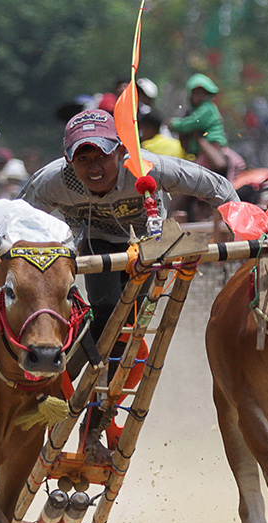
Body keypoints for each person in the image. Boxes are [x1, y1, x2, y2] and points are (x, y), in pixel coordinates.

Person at [18, 109, 237, 458]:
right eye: (83, 158)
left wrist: (231, 222)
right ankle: (59, 384)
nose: (93, 168)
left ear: (121, 152)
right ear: (67, 161)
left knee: (127, 330)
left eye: (102, 156)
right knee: (106, 311)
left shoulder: (148, 167)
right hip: (94, 243)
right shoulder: (52, 181)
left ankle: (95, 414)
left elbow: (218, 186)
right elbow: (19, 222)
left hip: (148, 248)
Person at [169, 73, 229, 174]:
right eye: (196, 93)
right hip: (201, 150)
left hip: (211, 144)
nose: (199, 96)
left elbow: (192, 123)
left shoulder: (206, 108)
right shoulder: (197, 110)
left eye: (201, 93)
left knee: (200, 175)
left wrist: (173, 124)